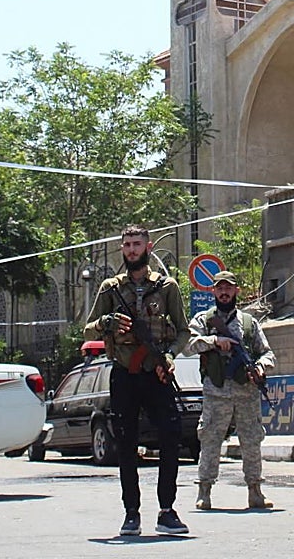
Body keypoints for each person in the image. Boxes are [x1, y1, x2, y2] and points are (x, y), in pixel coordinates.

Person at [85, 225, 191, 537]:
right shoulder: (110, 288)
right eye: (127, 245)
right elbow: (87, 330)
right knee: (126, 444)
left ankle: (167, 509)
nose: (132, 250)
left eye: (137, 244)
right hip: (125, 374)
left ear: (148, 245)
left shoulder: (167, 286)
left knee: (171, 437)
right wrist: (107, 322)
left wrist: (170, 356)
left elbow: (183, 330)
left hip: (157, 373)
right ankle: (131, 512)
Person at [186, 270, 276, 511]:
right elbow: (188, 344)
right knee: (210, 439)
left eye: (229, 288)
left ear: (236, 291)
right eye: (220, 288)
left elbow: (267, 352)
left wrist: (259, 366)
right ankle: (204, 490)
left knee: (252, 439)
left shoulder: (249, 322)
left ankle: (255, 490)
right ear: (213, 291)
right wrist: (214, 341)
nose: (224, 292)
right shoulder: (204, 320)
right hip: (216, 390)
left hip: (246, 391)